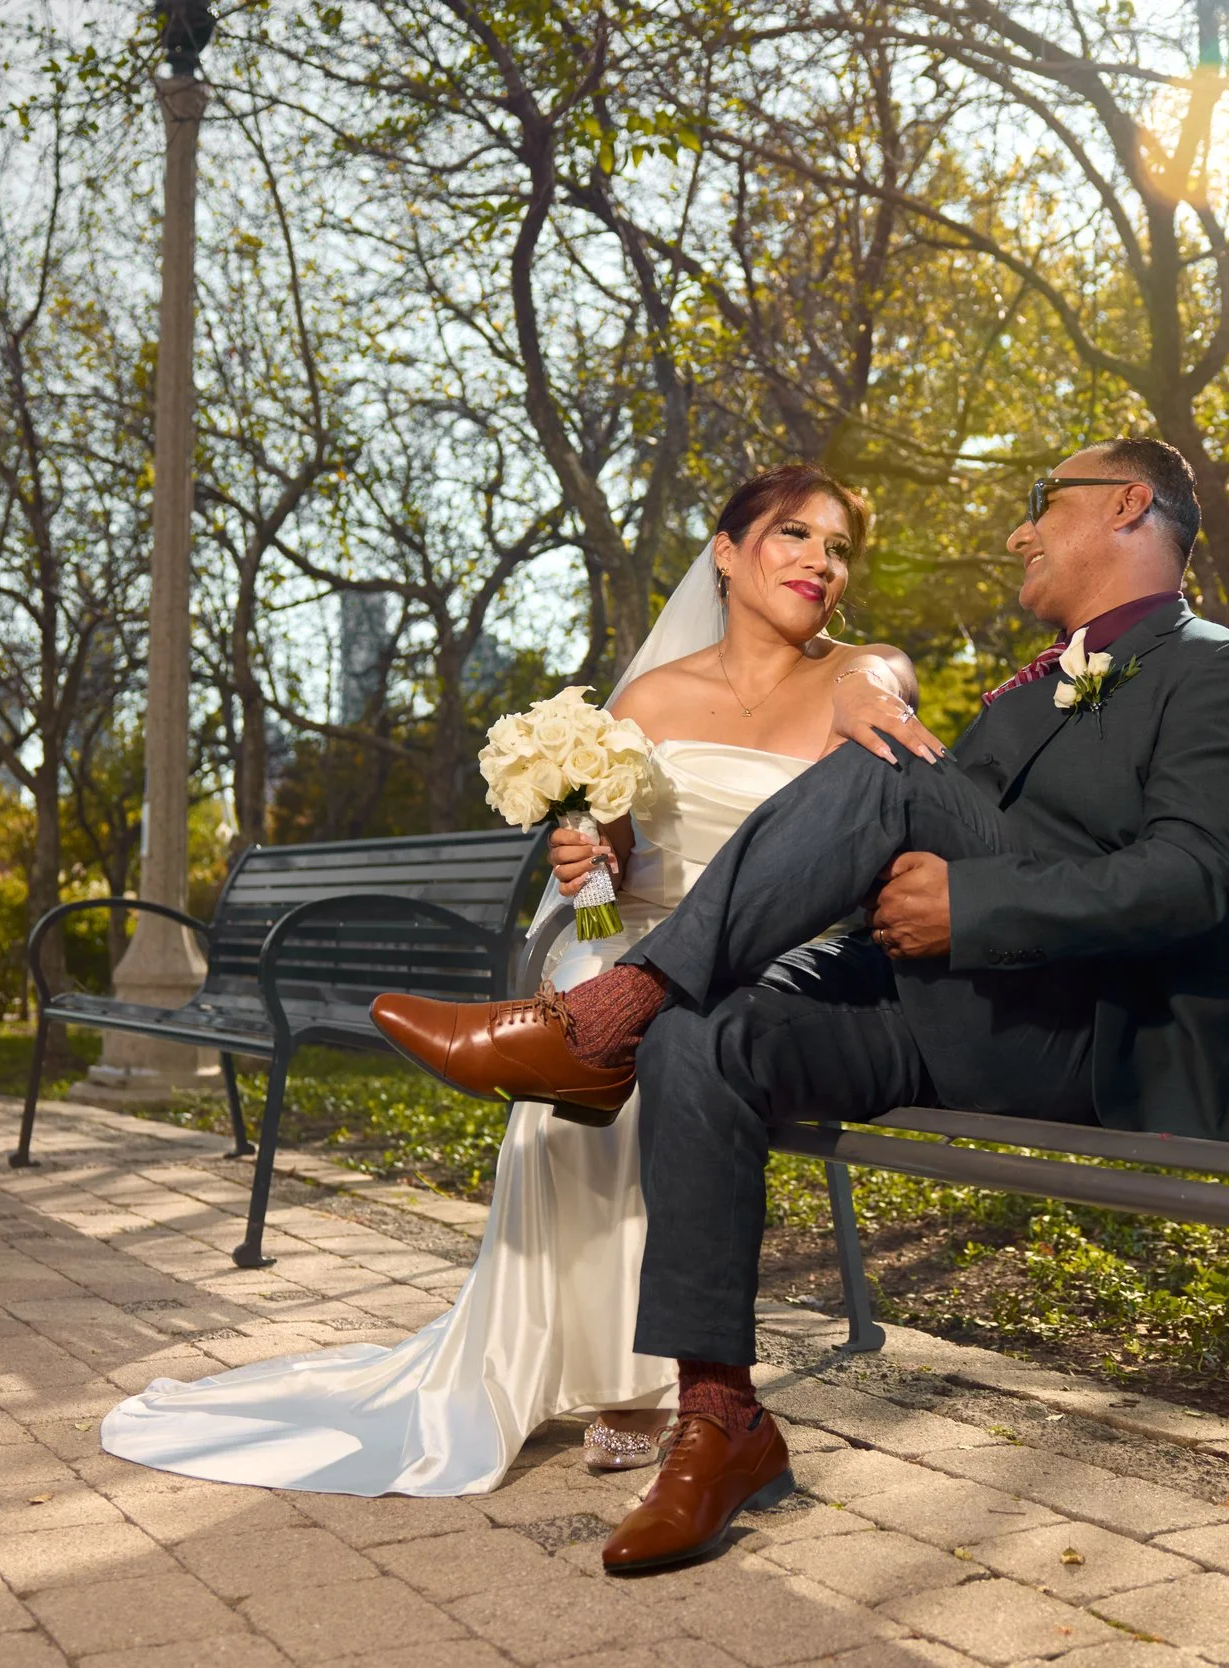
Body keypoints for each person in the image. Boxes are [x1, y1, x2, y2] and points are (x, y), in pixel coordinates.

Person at [371, 436, 1229, 1569]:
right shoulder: (1030, 685)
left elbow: (1192, 875)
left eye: (1036, 504)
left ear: (1125, 505)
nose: (1018, 532)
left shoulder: (1228, 666)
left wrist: (973, 903)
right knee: (704, 1032)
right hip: (936, 1007)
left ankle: (601, 1022)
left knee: (875, 761)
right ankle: (722, 1421)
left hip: (1083, 1026)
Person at [98, 463, 918, 1495]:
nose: (820, 563)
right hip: (642, 940)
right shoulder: (657, 694)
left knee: (624, 1031)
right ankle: (617, 1374)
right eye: (794, 535)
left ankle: (650, 1362)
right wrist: (589, 859)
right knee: (588, 1031)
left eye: (838, 548)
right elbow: (611, 856)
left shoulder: (862, 673)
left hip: (776, 961)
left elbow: (881, 719)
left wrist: (858, 679)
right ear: (725, 547)